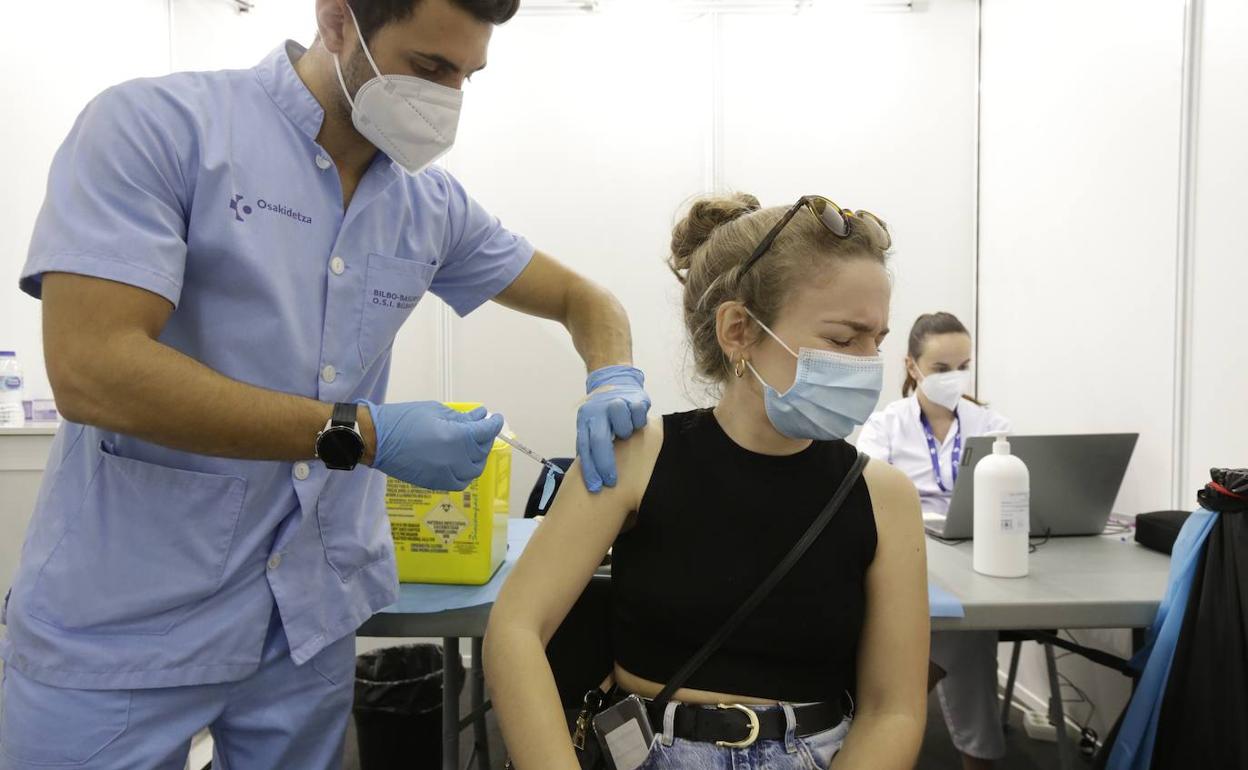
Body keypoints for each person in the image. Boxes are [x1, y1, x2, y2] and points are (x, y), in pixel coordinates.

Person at [0, 1, 650, 768]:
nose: (449, 99)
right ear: (338, 20)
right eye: (428, 68)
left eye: (468, 75)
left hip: (305, 625)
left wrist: (612, 375)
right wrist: (364, 434)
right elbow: (94, 370)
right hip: (123, 622)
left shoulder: (425, 205)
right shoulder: (160, 129)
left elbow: (587, 301)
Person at [485, 193, 929, 770]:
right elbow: (516, 628)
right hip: (649, 749)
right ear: (739, 330)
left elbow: (892, 710)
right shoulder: (639, 456)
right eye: (844, 341)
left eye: (879, 340)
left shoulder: (883, 497)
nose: (869, 364)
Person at [856, 311, 1011, 770]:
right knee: (966, 632)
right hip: (905, 549)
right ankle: (975, 757)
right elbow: (866, 495)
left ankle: (889, 707)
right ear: (912, 367)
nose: (955, 377)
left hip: (972, 551)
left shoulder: (991, 424)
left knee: (966, 623)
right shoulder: (886, 425)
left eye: (964, 365)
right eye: (943, 369)